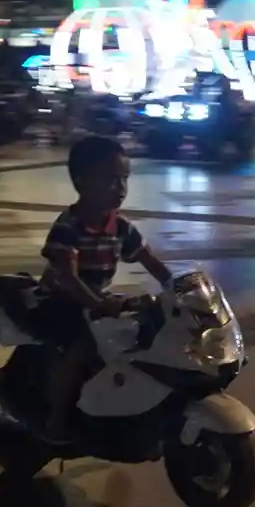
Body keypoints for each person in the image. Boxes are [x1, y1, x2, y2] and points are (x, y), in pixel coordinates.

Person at [31, 136, 172, 444]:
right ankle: (56, 420)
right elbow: (68, 278)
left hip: (94, 299)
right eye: (110, 179)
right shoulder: (69, 227)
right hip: (59, 301)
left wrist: (177, 286)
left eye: (124, 178)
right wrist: (98, 304)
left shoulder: (120, 227)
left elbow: (150, 261)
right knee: (80, 348)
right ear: (80, 181)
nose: (120, 187)